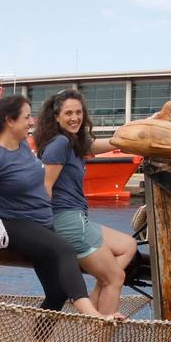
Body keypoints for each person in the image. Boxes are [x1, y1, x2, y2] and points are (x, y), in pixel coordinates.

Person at [0, 94, 116, 320]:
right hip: (16, 224)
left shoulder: (23, 146)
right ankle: (91, 315)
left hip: (41, 224)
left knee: (56, 294)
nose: (32, 122)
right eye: (27, 117)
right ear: (10, 121)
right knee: (65, 250)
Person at [34, 90, 138, 316]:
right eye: (68, 113)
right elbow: (45, 188)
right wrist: (43, 230)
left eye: (79, 112)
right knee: (115, 278)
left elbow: (107, 143)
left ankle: (93, 297)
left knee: (128, 245)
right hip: (67, 221)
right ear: (56, 117)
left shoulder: (73, 143)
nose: (75, 118)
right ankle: (100, 341)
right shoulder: (60, 143)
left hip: (78, 219)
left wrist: (149, 124)